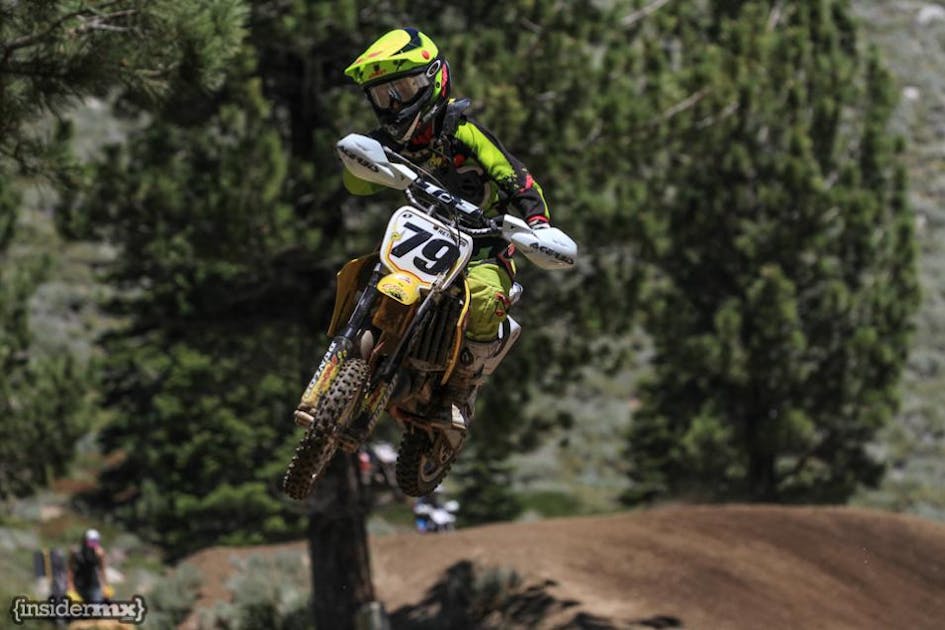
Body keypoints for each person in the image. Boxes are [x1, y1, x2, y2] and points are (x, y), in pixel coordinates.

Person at [343, 27, 571, 430]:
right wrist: (361, 164)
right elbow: (358, 183)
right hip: (424, 234)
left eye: (402, 90)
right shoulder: (392, 141)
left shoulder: (463, 132)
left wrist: (537, 225)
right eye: (382, 95)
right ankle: (347, 352)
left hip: (484, 249)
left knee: (482, 297)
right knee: (365, 271)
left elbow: (517, 179)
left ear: (433, 80)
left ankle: (460, 390)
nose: (393, 104)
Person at [66, 529, 110, 603]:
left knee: (96, 607)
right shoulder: (76, 553)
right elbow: (70, 569)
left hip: (94, 585)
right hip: (79, 586)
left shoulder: (99, 553)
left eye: (95, 541)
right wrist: (70, 585)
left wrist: (105, 585)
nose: (93, 543)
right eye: (91, 541)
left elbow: (102, 570)